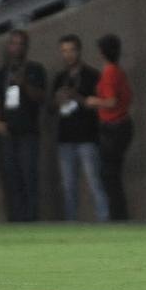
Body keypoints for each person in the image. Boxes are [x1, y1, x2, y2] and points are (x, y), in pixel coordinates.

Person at [0, 29, 46, 222]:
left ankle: (31, 218)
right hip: (7, 132)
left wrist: (24, 84)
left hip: (28, 131)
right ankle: (16, 218)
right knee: (11, 177)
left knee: (28, 175)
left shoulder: (35, 70)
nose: (16, 48)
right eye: (13, 43)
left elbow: (41, 98)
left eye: (20, 44)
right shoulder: (1, 74)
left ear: (26, 47)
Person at [51, 34, 108, 222]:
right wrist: (58, 100)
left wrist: (77, 97)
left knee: (94, 182)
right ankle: (71, 222)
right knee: (68, 186)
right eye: (64, 51)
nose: (68, 55)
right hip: (65, 138)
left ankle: (103, 219)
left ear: (79, 51)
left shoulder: (92, 76)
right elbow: (52, 108)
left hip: (87, 137)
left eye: (71, 50)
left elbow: (98, 104)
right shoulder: (60, 78)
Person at [85, 34, 133, 221]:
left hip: (113, 127)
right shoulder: (119, 71)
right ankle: (118, 214)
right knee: (112, 174)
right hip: (121, 125)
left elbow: (111, 101)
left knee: (110, 175)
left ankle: (117, 216)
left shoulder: (110, 72)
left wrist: (94, 101)